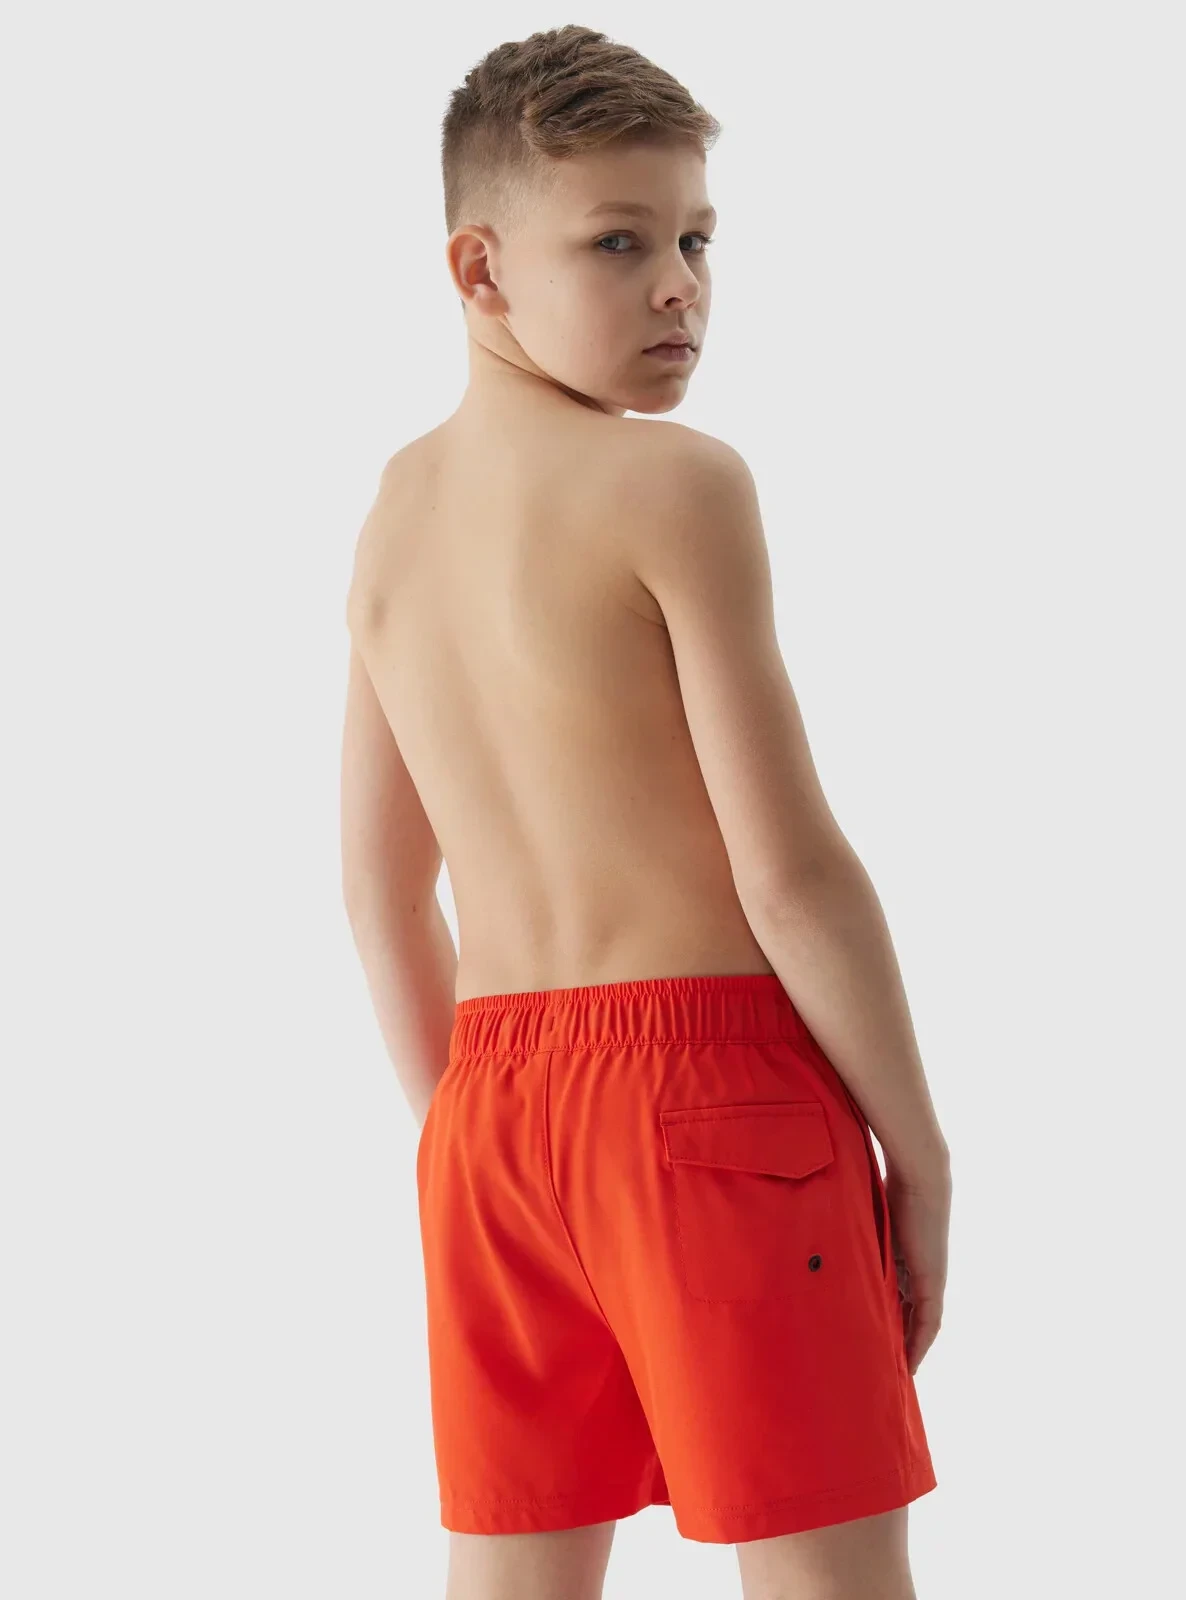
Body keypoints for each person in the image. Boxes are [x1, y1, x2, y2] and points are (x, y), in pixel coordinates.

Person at [340, 23, 951, 1600]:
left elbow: (381, 894)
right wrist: (920, 1151)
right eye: (619, 243)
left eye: (697, 240)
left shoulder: (397, 513)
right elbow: (791, 872)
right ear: (479, 268)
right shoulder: (677, 484)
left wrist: (461, 1135)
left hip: (488, 1111)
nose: (679, 286)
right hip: (714, 1098)